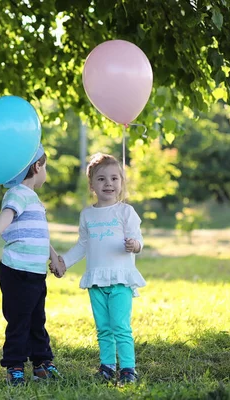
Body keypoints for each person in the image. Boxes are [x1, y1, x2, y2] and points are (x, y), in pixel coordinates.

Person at [52, 152, 145, 385]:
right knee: (103, 328)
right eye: (102, 179)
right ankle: (107, 366)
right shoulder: (87, 214)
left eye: (115, 178)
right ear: (92, 184)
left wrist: (134, 245)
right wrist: (63, 262)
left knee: (121, 327)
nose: (109, 184)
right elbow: (83, 245)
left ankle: (127, 369)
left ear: (121, 182)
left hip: (120, 279)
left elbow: (137, 240)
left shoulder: (126, 212)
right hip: (96, 280)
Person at [0, 144, 64, 386]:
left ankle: (41, 363)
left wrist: (54, 257)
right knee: (19, 320)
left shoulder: (35, 200)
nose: (46, 171)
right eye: (46, 166)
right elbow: (7, 213)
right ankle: (15, 366)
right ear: (37, 166)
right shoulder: (17, 193)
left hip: (36, 273)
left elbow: (40, 235)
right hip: (17, 271)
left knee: (37, 319)